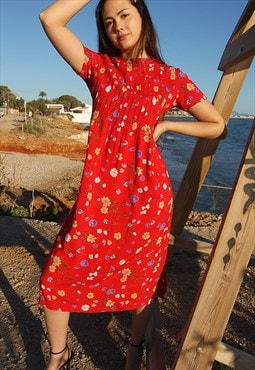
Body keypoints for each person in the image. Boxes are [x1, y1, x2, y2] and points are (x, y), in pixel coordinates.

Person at [38, 0, 225, 369]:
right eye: (108, 22)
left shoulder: (171, 77)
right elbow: (50, 18)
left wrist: (170, 125)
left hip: (149, 197)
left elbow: (216, 124)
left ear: (142, 14)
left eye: (124, 15)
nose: (117, 26)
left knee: (142, 281)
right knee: (59, 276)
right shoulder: (97, 67)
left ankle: (134, 349)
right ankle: (59, 356)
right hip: (98, 195)